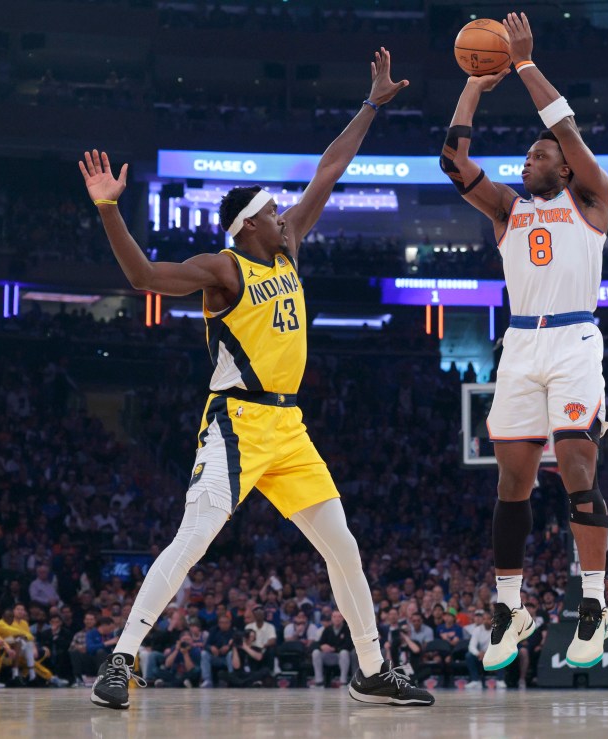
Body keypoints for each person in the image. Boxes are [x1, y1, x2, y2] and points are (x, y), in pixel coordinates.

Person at [81, 48, 431, 710]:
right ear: (248, 225)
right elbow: (145, 279)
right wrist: (108, 210)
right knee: (192, 540)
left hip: (288, 427)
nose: (287, 214)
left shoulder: (288, 246)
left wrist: (372, 104)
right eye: (274, 211)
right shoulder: (224, 268)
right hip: (236, 423)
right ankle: (121, 659)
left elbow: (331, 168)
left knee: (344, 547)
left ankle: (371, 668)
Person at [440, 11, 608, 673]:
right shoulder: (509, 209)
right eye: (528, 154)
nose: (529, 158)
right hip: (519, 345)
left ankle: (593, 604)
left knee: (575, 466)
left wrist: (523, 64)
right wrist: (475, 87)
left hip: (573, 341)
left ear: (564, 168)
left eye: (539, 154)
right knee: (512, 483)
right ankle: (511, 606)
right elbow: (452, 161)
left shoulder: (591, 198)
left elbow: (565, 126)